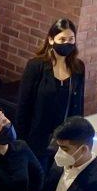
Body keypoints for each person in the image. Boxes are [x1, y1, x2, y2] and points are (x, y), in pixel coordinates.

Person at [15, 18, 86, 171]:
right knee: (36, 177)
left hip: (65, 139)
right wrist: (20, 140)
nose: (67, 43)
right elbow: (24, 105)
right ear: (51, 40)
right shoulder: (36, 66)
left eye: (71, 39)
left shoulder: (78, 67)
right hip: (38, 138)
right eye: (62, 39)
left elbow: (78, 104)